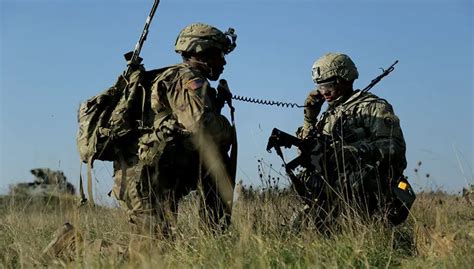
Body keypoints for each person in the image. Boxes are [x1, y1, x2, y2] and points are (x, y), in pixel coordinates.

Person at [109, 23, 237, 237]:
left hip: (150, 175)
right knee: (150, 253)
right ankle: (71, 245)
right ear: (201, 52)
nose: (223, 61)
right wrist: (227, 128)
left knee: (158, 249)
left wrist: (217, 104)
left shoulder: (176, 77)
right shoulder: (187, 79)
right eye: (219, 54)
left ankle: (214, 237)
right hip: (143, 179)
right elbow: (200, 125)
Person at [294, 52, 410, 229]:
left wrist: (352, 151)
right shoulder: (328, 115)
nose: (324, 92)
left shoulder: (372, 107)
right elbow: (305, 152)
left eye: (329, 85)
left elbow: (394, 147)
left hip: (367, 194)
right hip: (326, 195)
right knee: (299, 231)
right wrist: (309, 119)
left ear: (344, 79)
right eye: (320, 86)